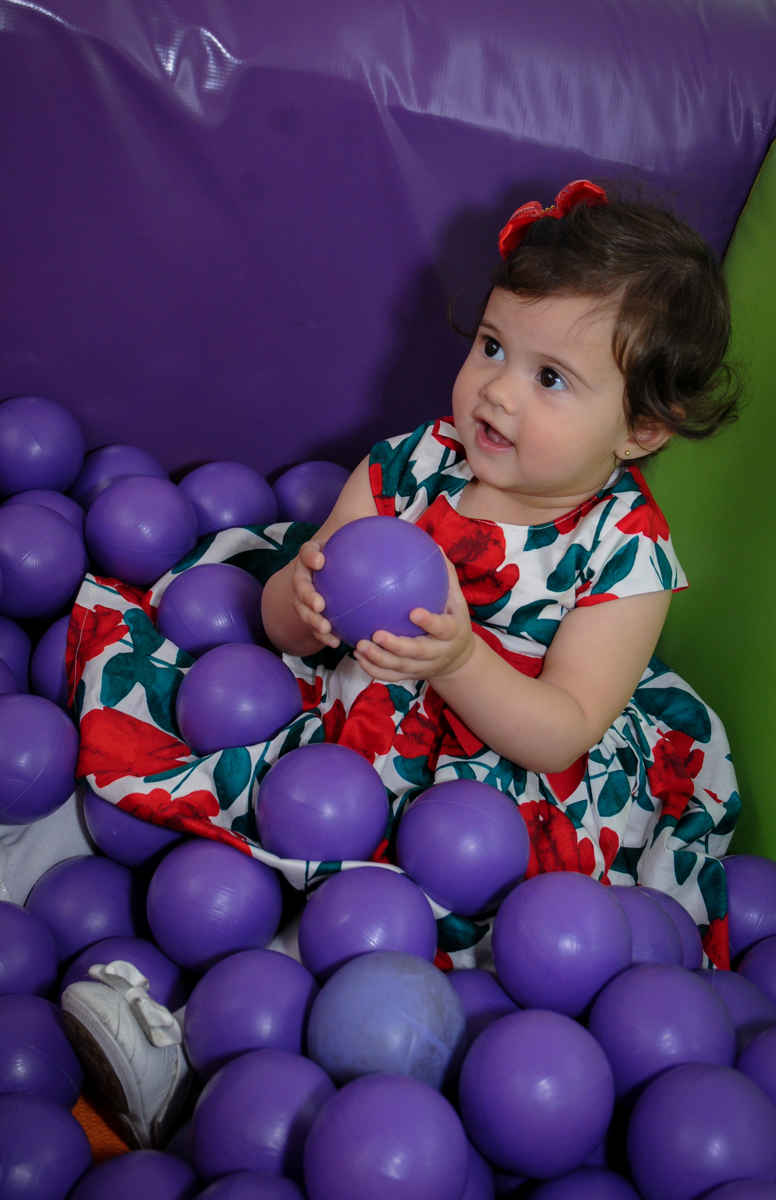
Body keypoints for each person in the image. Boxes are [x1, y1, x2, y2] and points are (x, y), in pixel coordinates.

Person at [61, 180, 741, 1146]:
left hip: (501, 788)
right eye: (494, 346)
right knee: (207, 757)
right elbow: (293, 621)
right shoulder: (412, 463)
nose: (498, 390)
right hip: (352, 722)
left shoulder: (626, 550)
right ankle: (52, 860)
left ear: (640, 430)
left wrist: (460, 658)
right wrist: (295, 604)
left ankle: (203, 1044)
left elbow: (565, 729)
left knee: (398, 909)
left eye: (552, 378)